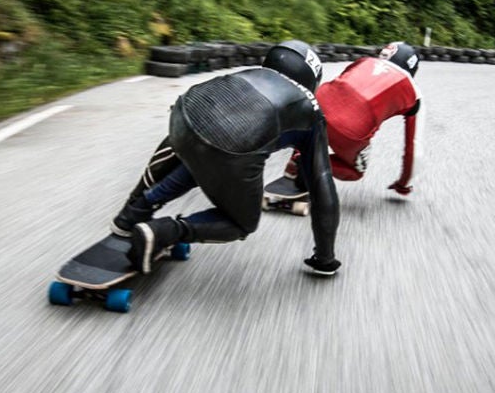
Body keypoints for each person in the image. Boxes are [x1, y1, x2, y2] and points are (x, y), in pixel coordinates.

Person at [111, 39, 342, 276]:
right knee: (242, 223)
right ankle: (165, 232)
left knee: (198, 150)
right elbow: (321, 184)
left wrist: (136, 203)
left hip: (184, 113)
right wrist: (325, 257)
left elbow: (193, 141)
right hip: (231, 149)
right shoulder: (311, 110)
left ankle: (132, 213)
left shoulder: (249, 73)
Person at [269, 41, 422, 200]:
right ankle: (305, 162)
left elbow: (340, 84)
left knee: (315, 127)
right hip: (353, 129)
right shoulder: (414, 94)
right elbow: (413, 146)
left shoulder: (366, 61)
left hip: (318, 101)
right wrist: (403, 184)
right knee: (356, 172)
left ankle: (296, 161)